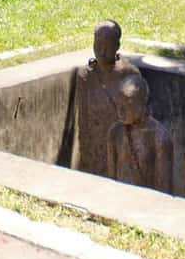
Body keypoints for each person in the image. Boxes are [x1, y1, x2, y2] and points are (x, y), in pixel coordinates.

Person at [72, 20, 143, 175]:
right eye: (98, 45)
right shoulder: (85, 75)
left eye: (107, 46)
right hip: (94, 147)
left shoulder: (129, 74)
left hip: (121, 146)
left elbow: (138, 120)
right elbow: (83, 120)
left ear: (117, 45)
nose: (101, 51)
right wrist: (86, 149)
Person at [106, 72, 174, 193]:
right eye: (118, 103)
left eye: (128, 103)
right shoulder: (115, 132)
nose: (120, 110)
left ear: (142, 104)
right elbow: (111, 179)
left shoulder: (159, 137)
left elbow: (163, 189)